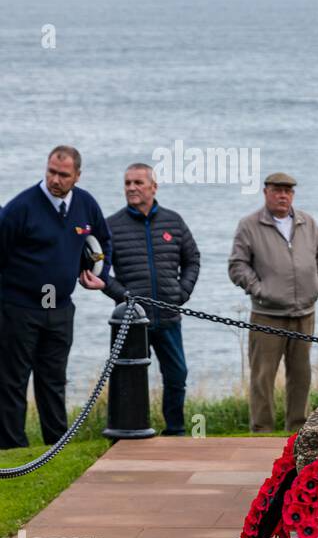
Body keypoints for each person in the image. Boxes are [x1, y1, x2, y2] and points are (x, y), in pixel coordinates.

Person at [0, 146, 110, 449]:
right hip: (19, 308)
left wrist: (99, 271)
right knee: (12, 381)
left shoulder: (86, 204)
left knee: (53, 381)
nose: (55, 179)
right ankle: (13, 448)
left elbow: (103, 241)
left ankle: (56, 445)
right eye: (51, 171)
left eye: (63, 174)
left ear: (77, 176)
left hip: (60, 309)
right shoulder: (20, 207)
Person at [101, 163, 201, 435]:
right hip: (132, 323)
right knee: (130, 378)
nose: (131, 188)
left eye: (138, 183)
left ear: (153, 187)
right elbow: (100, 271)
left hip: (169, 316)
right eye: (127, 183)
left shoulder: (173, 221)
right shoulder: (111, 226)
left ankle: (176, 429)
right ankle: (132, 429)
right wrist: (124, 298)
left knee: (177, 376)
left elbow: (192, 259)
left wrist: (182, 293)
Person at [228, 172, 318, 432]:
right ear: (266, 193)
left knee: (301, 375)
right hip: (267, 314)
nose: (283, 195)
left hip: (304, 313)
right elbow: (237, 266)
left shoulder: (308, 223)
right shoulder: (249, 225)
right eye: (277, 190)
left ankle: (298, 428)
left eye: (288, 191)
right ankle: (261, 429)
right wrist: (259, 290)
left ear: (293, 195)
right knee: (262, 376)